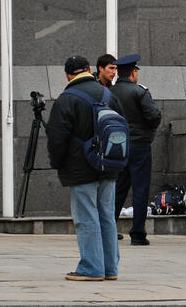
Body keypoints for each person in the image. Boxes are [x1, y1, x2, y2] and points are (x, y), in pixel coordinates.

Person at [46, 55, 122, 281]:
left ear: (68, 75)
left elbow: (57, 138)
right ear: (89, 69)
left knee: (87, 218)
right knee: (107, 217)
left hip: (80, 168)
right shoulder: (109, 94)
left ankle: (91, 268)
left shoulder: (66, 99)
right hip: (109, 165)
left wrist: (58, 164)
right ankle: (110, 268)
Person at [110, 54, 161, 246]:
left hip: (117, 146)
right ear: (133, 72)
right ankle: (138, 233)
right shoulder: (139, 92)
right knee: (140, 190)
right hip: (140, 146)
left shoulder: (110, 92)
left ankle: (109, 227)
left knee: (117, 189)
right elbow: (154, 116)